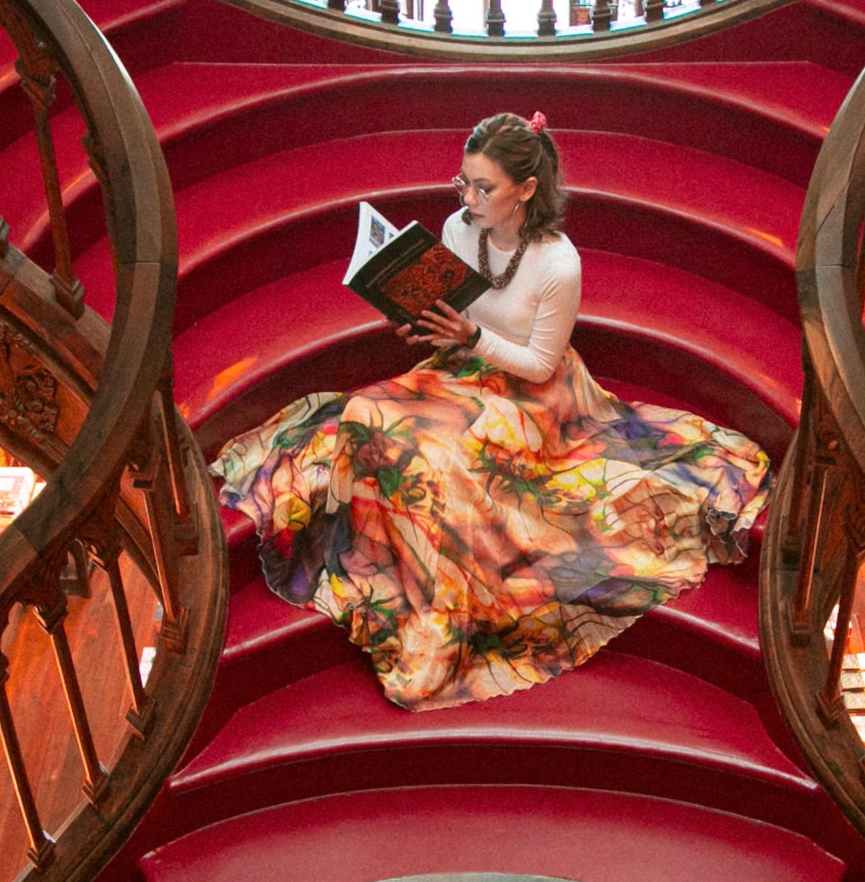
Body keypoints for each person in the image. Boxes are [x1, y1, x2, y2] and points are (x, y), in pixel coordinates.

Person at [212, 112, 771, 711]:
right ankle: (392, 556)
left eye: (484, 188)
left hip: (536, 398)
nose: (469, 199)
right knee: (363, 418)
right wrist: (422, 324)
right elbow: (452, 321)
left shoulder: (560, 264)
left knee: (433, 465)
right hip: (464, 374)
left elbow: (538, 363)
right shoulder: (458, 227)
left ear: (526, 190)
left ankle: (440, 614)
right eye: (464, 183)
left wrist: (469, 336)